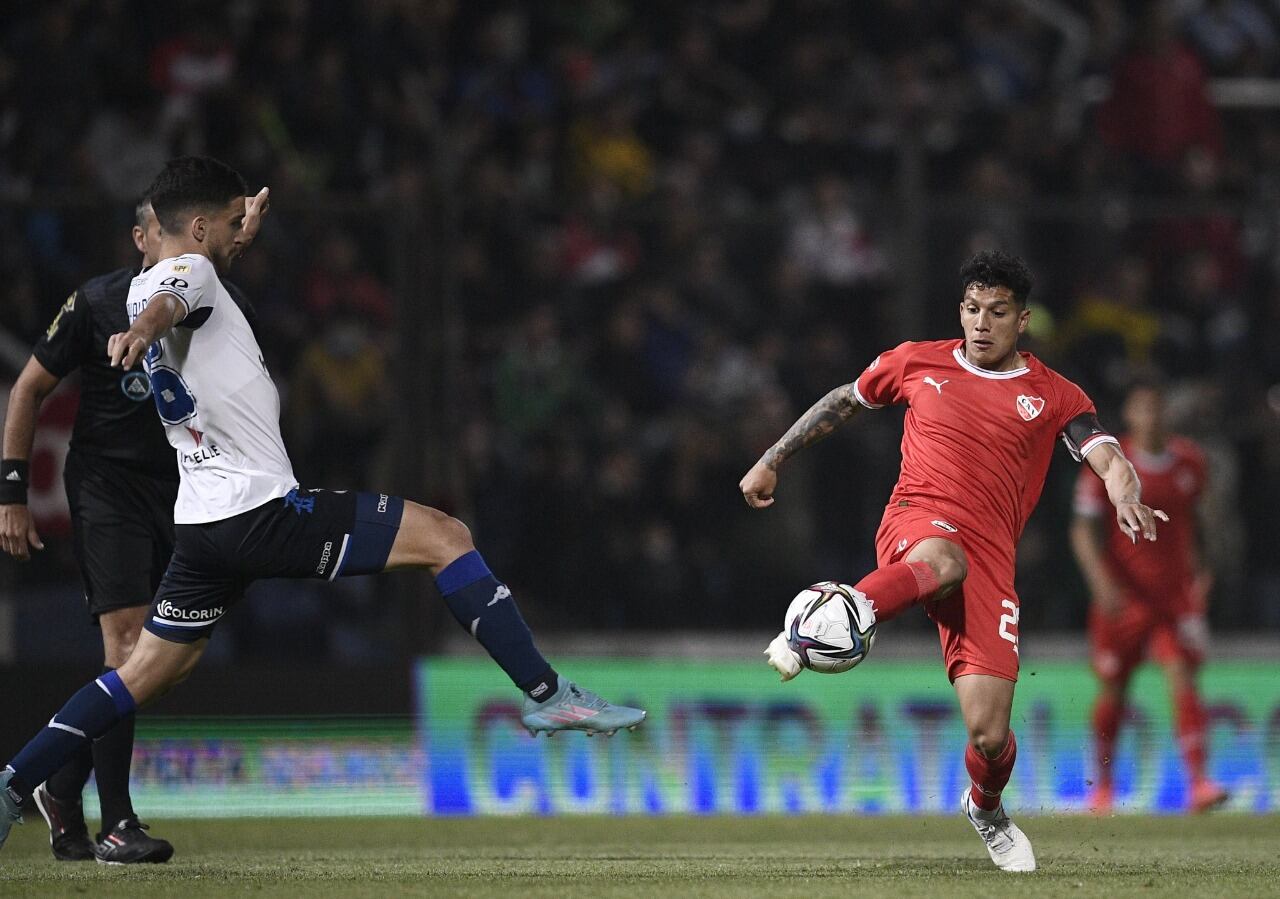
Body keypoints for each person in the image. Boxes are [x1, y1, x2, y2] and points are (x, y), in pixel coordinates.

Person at [0, 156, 645, 852]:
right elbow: (177, 296)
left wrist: (208, 257)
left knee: (139, 673)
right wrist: (149, 328)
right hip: (262, 514)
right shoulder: (185, 279)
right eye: (225, 224)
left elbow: (179, 289)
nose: (235, 236)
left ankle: (12, 785)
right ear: (196, 226)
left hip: (203, 525)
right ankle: (551, 696)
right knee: (445, 535)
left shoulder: (146, 286)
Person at [738, 250, 1166, 873]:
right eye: (971, 310)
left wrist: (1125, 489)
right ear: (959, 311)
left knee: (990, 736)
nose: (981, 323)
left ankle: (986, 808)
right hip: (918, 524)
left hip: (991, 562)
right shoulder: (918, 361)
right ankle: (840, 614)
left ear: (1022, 320)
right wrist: (773, 455)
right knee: (943, 557)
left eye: (997, 312)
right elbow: (843, 399)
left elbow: (1104, 452)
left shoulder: (1052, 394)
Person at [0, 199, 233, 864]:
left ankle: (60, 780)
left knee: (165, 665)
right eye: (165, 231)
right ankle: (117, 822)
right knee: (130, 648)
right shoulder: (98, 302)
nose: (181, 243)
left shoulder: (206, 302)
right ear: (140, 238)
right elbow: (27, 389)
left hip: (184, 492)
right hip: (108, 488)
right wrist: (10, 493)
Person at [1071, 381, 1228, 814]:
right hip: (1124, 598)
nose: (1152, 417)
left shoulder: (1190, 462)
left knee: (1181, 676)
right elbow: (1082, 530)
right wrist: (1101, 585)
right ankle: (1101, 788)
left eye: (1158, 408)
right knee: (1115, 691)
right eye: (1143, 409)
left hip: (1173, 597)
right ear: (1130, 415)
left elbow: (1195, 522)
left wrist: (1203, 572)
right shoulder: (1108, 464)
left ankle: (1199, 783)